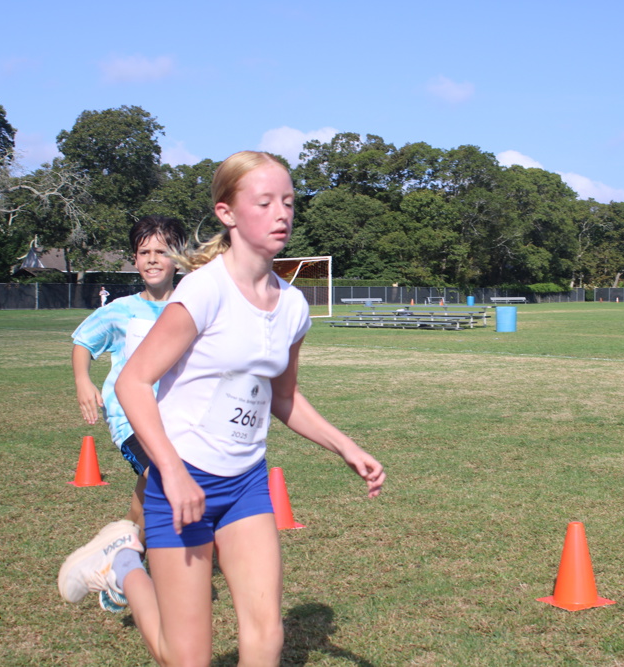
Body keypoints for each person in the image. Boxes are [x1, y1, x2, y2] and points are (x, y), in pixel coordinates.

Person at [59, 151, 384, 666]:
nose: (282, 214)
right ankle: (121, 563)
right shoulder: (204, 290)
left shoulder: (294, 306)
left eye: (289, 202)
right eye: (265, 202)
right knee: (183, 657)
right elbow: (134, 383)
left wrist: (345, 447)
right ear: (226, 213)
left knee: (266, 633)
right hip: (182, 480)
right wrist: (171, 472)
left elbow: (284, 397)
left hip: (246, 484)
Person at [59, 215, 187, 613]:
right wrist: (82, 380)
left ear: (178, 258)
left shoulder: (191, 307)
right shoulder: (120, 311)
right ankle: (137, 562)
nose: (152, 259)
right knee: (162, 476)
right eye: (144, 252)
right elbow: (83, 341)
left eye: (161, 252)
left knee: (152, 495)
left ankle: (119, 553)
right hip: (130, 418)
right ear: (134, 259)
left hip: (178, 420)